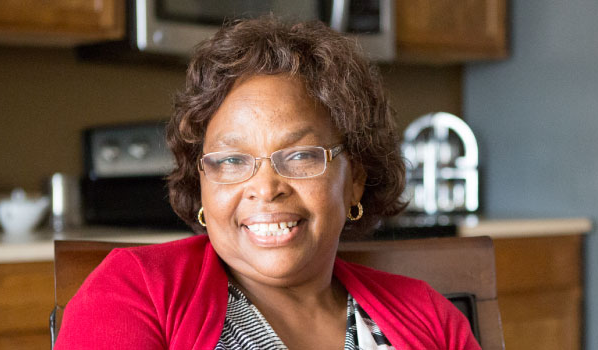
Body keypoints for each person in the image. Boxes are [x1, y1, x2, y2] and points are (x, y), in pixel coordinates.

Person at [55, 17, 480, 350]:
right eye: (232, 160)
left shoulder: (429, 316)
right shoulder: (137, 292)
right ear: (201, 183)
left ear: (355, 180)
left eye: (300, 156)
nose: (266, 187)